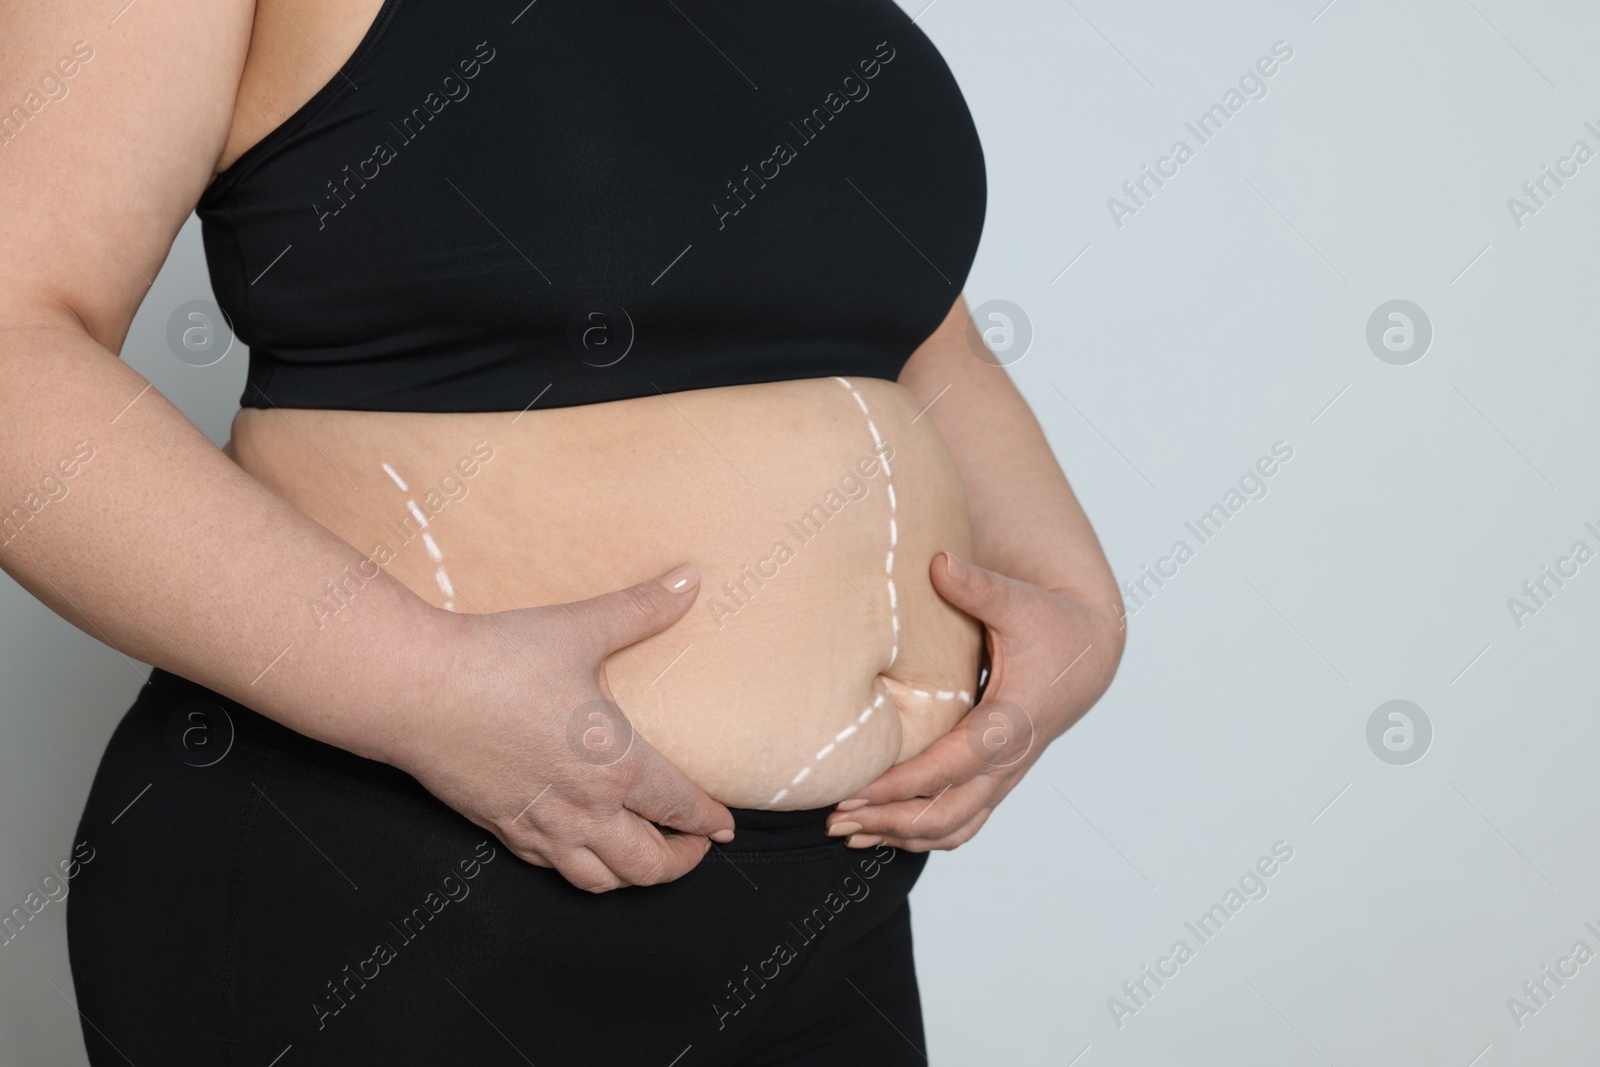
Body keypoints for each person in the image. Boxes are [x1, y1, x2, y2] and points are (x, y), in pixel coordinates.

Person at [0, 0, 1123, 1062]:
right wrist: (426, 688)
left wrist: (1077, 606)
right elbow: (15, 354)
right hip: (396, 895)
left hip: (831, 913)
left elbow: (917, 332)